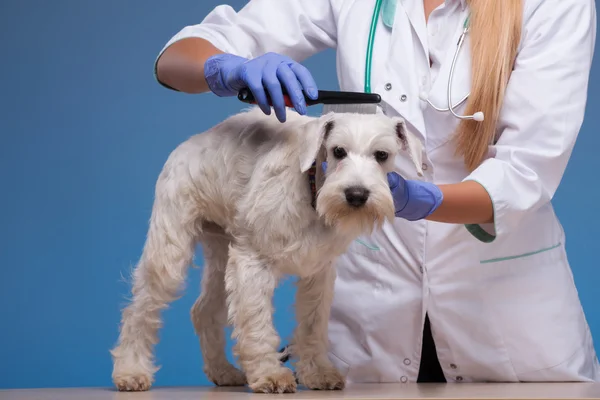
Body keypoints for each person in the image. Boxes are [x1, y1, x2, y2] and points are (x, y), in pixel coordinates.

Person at [154, 0, 599, 383]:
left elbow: (527, 170)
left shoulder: (555, 4)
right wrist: (223, 67)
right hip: (367, 334)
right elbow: (177, 59)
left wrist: (424, 200)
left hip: (510, 335)